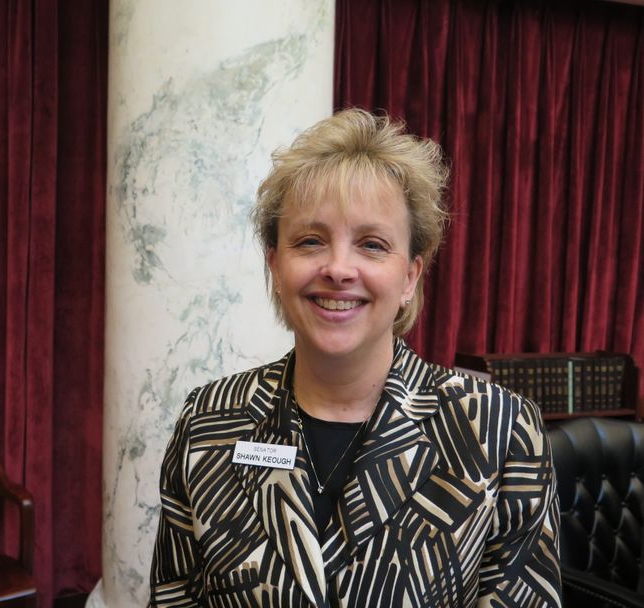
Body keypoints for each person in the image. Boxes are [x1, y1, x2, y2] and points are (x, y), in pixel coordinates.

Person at [149, 109, 561, 607]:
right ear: (275, 265)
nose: (339, 268)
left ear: (410, 276)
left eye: (371, 244)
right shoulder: (210, 420)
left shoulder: (497, 429)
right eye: (309, 241)